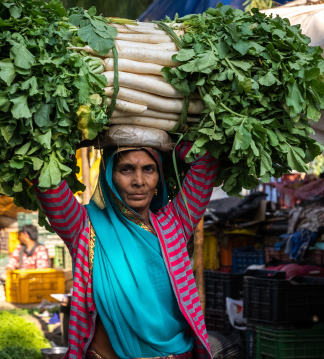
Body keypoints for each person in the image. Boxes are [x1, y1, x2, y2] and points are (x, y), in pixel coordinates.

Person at [33, 142, 219, 359]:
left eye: (148, 169)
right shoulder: (83, 227)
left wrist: (166, 142)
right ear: (109, 175)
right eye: (126, 169)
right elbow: (44, 169)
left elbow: (205, 160)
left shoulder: (175, 224)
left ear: (159, 175)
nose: (139, 181)